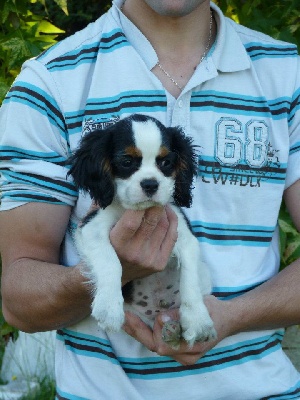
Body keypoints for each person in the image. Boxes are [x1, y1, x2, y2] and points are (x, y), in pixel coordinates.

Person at [0, 0, 299, 398]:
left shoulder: (290, 73)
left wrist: (229, 317)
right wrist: (108, 273)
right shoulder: (49, 80)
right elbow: (19, 302)